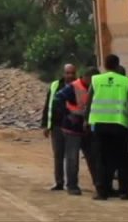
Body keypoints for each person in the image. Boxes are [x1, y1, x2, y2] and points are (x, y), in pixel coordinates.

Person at [87, 54, 128, 201]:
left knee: (101, 159)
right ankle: (123, 192)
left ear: (105, 65)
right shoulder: (126, 82)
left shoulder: (96, 80)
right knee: (121, 159)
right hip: (120, 125)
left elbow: (89, 103)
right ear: (118, 65)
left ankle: (102, 192)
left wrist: (87, 121)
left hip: (100, 125)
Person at [53, 66, 98, 195]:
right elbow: (57, 99)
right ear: (87, 77)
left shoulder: (94, 87)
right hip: (72, 128)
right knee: (72, 158)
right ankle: (72, 185)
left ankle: (99, 184)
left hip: (88, 127)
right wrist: (67, 114)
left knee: (93, 157)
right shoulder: (74, 87)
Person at [41, 64, 77, 191]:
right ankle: (59, 182)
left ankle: (71, 184)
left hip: (73, 127)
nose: (70, 76)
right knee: (58, 155)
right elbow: (48, 105)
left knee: (72, 156)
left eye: (72, 73)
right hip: (56, 126)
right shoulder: (55, 85)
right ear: (63, 73)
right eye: (68, 73)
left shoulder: (79, 86)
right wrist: (45, 124)